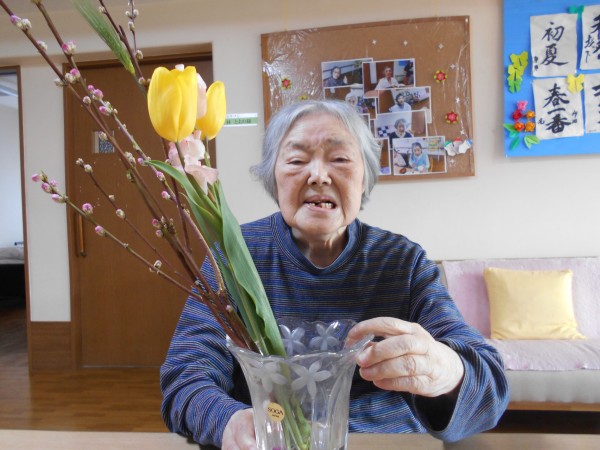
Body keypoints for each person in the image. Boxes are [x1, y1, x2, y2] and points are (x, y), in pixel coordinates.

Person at [160, 100, 509, 449]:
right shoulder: (234, 257)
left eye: (339, 159)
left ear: (364, 177)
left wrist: (446, 372)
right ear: (274, 177)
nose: (318, 175)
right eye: (297, 160)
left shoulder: (403, 263)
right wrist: (229, 421)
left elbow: (488, 388)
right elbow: (186, 373)